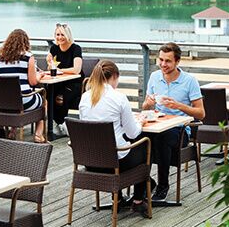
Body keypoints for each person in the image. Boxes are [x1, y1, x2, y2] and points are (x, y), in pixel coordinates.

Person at [79, 60, 152, 216]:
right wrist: (140, 122)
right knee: (144, 145)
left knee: (115, 142)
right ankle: (138, 200)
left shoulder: (84, 98)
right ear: (114, 76)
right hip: (115, 163)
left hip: (90, 162)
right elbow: (133, 133)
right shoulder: (118, 98)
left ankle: (117, 200)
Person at [142, 42, 205, 201]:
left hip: (181, 131)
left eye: (168, 61)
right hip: (157, 125)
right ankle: (145, 183)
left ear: (177, 61)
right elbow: (145, 106)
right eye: (161, 60)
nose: (163, 64)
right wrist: (148, 104)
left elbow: (201, 113)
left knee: (162, 138)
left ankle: (163, 186)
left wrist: (178, 105)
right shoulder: (154, 77)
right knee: (138, 137)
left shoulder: (189, 81)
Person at [0, 29, 46, 143]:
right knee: (44, 101)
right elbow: (33, 82)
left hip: (3, 103)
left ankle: (13, 130)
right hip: (24, 101)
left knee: (15, 97)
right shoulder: (28, 57)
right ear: (25, 42)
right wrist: (40, 76)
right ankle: (38, 134)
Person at [46, 23, 83, 136]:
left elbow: (77, 69)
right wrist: (49, 62)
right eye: (57, 34)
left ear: (68, 35)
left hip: (74, 83)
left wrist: (61, 71)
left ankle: (61, 123)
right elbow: (51, 68)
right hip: (59, 82)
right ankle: (56, 125)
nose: (59, 37)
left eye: (62, 34)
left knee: (60, 97)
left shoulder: (75, 48)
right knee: (49, 94)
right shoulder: (54, 48)